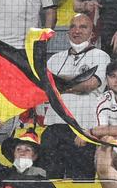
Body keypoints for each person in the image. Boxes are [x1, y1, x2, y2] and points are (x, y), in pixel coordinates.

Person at [41, 13, 110, 178]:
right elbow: (45, 87)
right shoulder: (55, 59)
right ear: (67, 32)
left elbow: (90, 85)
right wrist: (74, 84)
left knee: (81, 182)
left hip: (83, 129)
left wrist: (60, 85)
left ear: (92, 34)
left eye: (83, 27)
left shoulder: (101, 56)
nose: (76, 31)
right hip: (54, 126)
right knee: (50, 181)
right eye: (73, 26)